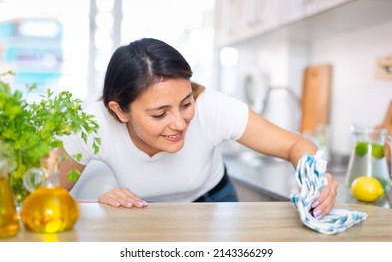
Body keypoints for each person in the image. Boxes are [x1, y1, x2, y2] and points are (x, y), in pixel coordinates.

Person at [59, 38, 338, 219]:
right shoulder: (91, 125)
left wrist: (316, 178)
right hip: (141, 214)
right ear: (120, 111)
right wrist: (97, 205)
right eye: (159, 114)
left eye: (185, 103)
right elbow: (38, 198)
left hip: (213, 204)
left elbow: (295, 145)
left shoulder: (212, 107)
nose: (180, 123)